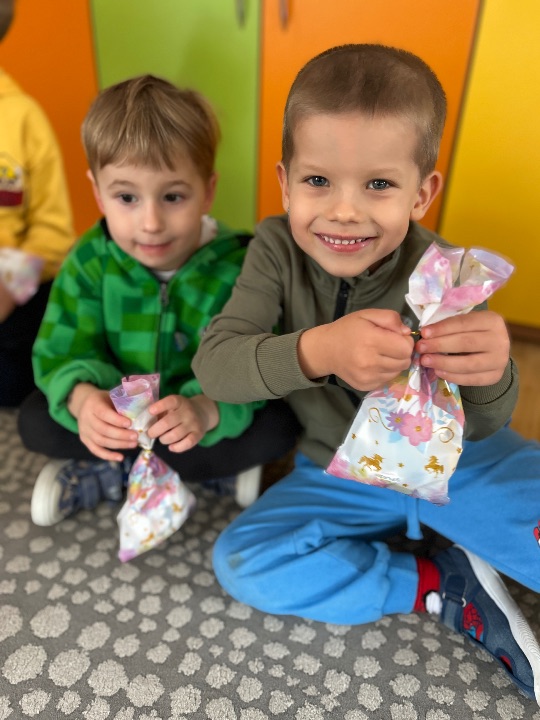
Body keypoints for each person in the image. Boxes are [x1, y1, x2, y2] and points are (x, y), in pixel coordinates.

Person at [193, 44, 540, 704]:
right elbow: (216, 368)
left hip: (464, 467)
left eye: (378, 185)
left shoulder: (445, 273)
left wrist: (492, 374)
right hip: (338, 472)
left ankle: (460, 543)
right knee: (245, 561)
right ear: (285, 182)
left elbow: (485, 422)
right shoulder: (274, 250)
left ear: (422, 193)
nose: (344, 211)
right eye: (318, 181)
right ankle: (438, 584)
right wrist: (316, 351)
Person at [18, 74, 300, 527]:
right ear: (98, 193)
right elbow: (60, 351)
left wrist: (205, 409)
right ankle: (147, 470)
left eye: (172, 196)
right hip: (124, 418)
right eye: (126, 197)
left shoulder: (242, 265)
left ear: (207, 191)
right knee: (34, 418)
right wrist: (85, 400)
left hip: (196, 418)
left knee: (279, 425)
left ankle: (124, 473)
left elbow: (256, 365)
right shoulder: (89, 260)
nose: (150, 223)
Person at [0, 0, 75, 406]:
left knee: (18, 386)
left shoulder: (23, 117)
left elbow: (53, 231)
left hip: (14, 281)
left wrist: (8, 285)